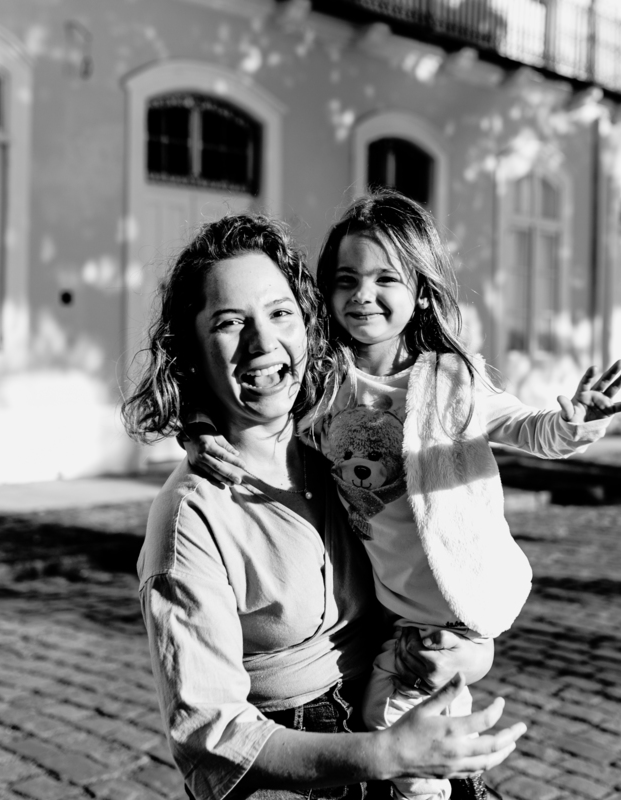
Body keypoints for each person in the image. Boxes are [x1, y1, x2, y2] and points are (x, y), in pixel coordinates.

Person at [185, 192, 621, 800]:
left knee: (396, 730)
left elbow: (529, 428)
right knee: (414, 730)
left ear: (421, 292)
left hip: (446, 606)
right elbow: (251, 393)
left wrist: (575, 422)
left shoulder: (451, 381)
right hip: (389, 608)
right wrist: (198, 429)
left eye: (385, 279)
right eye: (346, 280)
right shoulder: (324, 378)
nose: (363, 295)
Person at [123, 213, 527, 800]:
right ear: (190, 349)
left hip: (403, 720)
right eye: (230, 322)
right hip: (300, 773)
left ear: (309, 324)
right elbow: (210, 740)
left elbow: (422, 574)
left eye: (280, 313)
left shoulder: (334, 448)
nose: (263, 343)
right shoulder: (191, 519)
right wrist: (385, 754)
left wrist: (466, 652)